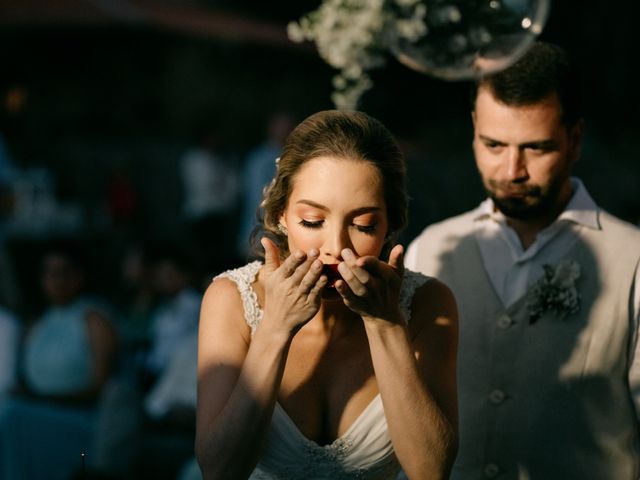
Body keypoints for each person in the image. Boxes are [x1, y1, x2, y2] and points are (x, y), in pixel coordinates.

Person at [405, 41, 640, 479]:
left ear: (574, 140)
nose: (511, 171)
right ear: (473, 128)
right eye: (493, 145)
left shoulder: (634, 261)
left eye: (536, 148)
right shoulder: (430, 249)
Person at [195, 110, 458, 479]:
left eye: (363, 225)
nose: (335, 247)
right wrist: (274, 331)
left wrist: (385, 325)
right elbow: (219, 470)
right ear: (281, 214)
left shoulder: (430, 304)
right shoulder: (232, 299)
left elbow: (431, 471)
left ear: (390, 225)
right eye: (313, 222)